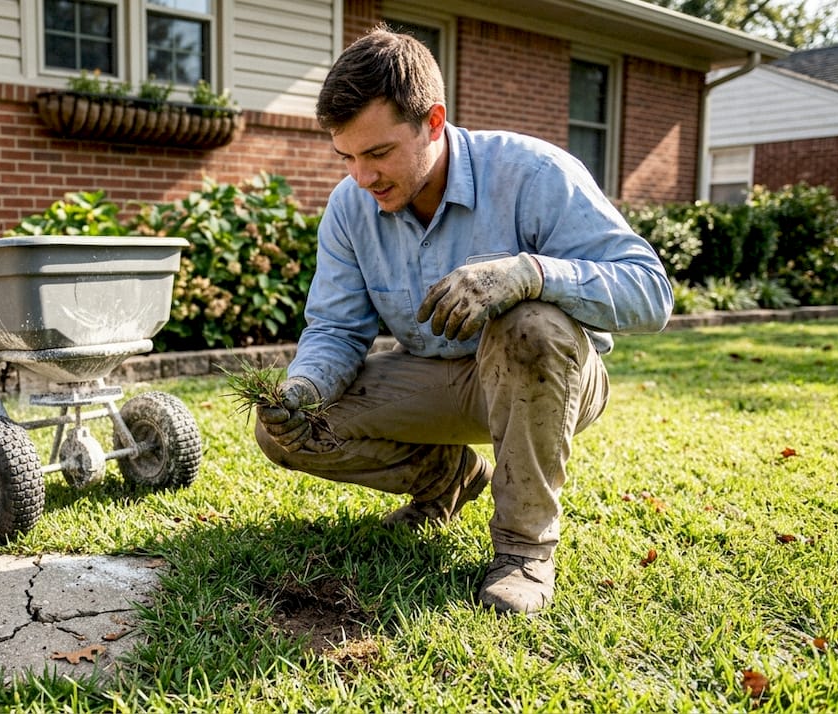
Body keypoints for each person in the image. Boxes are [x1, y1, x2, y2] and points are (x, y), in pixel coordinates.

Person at [254, 26, 673, 615]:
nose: (362, 178)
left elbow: (651, 292)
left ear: (433, 121)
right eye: (346, 157)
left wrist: (530, 274)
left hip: (554, 374)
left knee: (531, 323)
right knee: (284, 428)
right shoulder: (351, 207)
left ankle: (524, 551)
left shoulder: (533, 173)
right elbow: (336, 330)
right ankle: (449, 478)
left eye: (378, 153)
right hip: (437, 376)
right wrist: (304, 387)